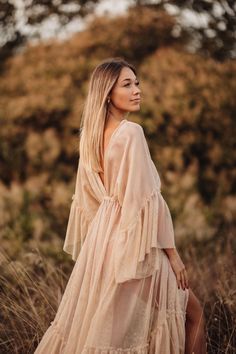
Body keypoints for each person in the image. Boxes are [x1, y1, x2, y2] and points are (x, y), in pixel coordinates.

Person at [34, 58, 206, 354]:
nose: (137, 90)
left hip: (103, 245)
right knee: (195, 314)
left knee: (107, 333)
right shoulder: (131, 133)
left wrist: (99, 248)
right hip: (136, 246)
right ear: (107, 93)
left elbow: (88, 202)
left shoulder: (89, 138)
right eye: (127, 84)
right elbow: (146, 203)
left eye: (137, 83)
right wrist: (174, 256)